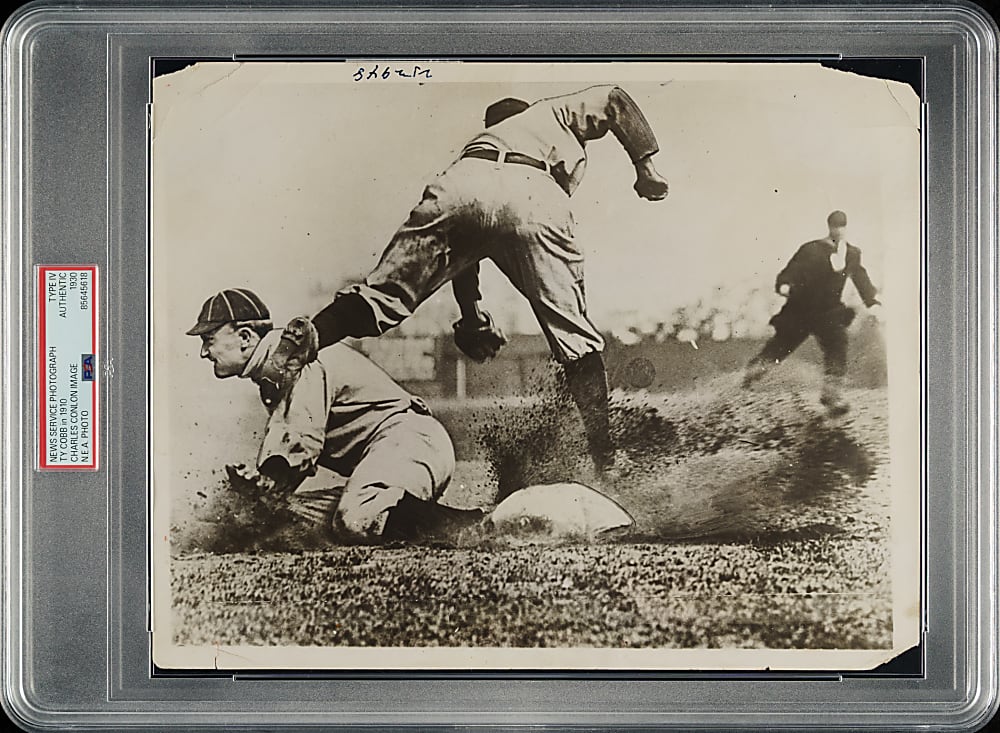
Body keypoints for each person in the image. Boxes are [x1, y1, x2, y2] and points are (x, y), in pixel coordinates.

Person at [263, 85, 670, 475]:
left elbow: (462, 259)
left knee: (380, 298)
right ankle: (607, 462)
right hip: (533, 190)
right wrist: (645, 166)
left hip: (458, 190)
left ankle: (305, 337)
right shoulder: (550, 114)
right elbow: (614, 98)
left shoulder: (472, 151)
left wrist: (473, 318)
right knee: (575, 338)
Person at [187, 287, 483, 545]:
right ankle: (404, 510)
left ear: (245, 337)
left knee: (356, 517)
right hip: (393, 456)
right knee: (285, 520)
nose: (203, 352)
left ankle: (480, 527)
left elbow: (300, 445)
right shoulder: (275, 370)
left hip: (409, 440)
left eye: (209, 339)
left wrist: (266, 485)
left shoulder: (295, 359)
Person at [742, 211, 881, 415]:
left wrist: (872, 302)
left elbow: (860, 276)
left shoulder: (851, 253)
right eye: (835, 226)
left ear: (846, 228)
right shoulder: (811, 249)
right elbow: (789, 272)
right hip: (801, 311)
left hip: (829, 313)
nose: (838, 230)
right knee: (779, 349)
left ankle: (831, 395)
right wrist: (785, 285)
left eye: (842, 226)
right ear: (829, 226)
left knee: (838, 346)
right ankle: (747, 382)